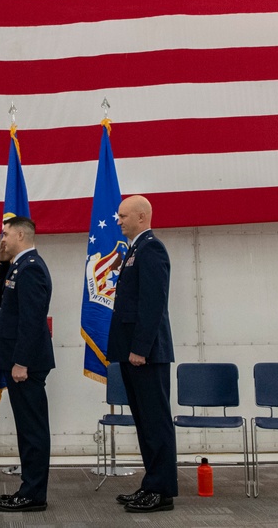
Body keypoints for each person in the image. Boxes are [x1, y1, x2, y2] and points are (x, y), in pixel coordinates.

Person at [106, 194, 177, 513]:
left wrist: (139, 348)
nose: (118, 220)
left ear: (141, 217)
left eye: (122, 215)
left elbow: (153, 303)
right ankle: (152, 484)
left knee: (156, 422)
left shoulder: (152, 248)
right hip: (134, 352)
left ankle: (162, 491)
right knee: (145, 423)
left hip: (146, 354)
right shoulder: (135, 249)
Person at [0, 216, 54, 512]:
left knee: (33, 430)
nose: (2, 239)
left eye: (5, 234)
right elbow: (9, 303)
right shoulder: (19, 265)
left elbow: (31, 320)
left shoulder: (31, 269)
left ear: (20, 235)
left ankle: (34, 494)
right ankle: (29, 488)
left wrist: (21, 362)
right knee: (27, 430)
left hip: (25, 364)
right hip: (19, 361)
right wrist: (2, 263)